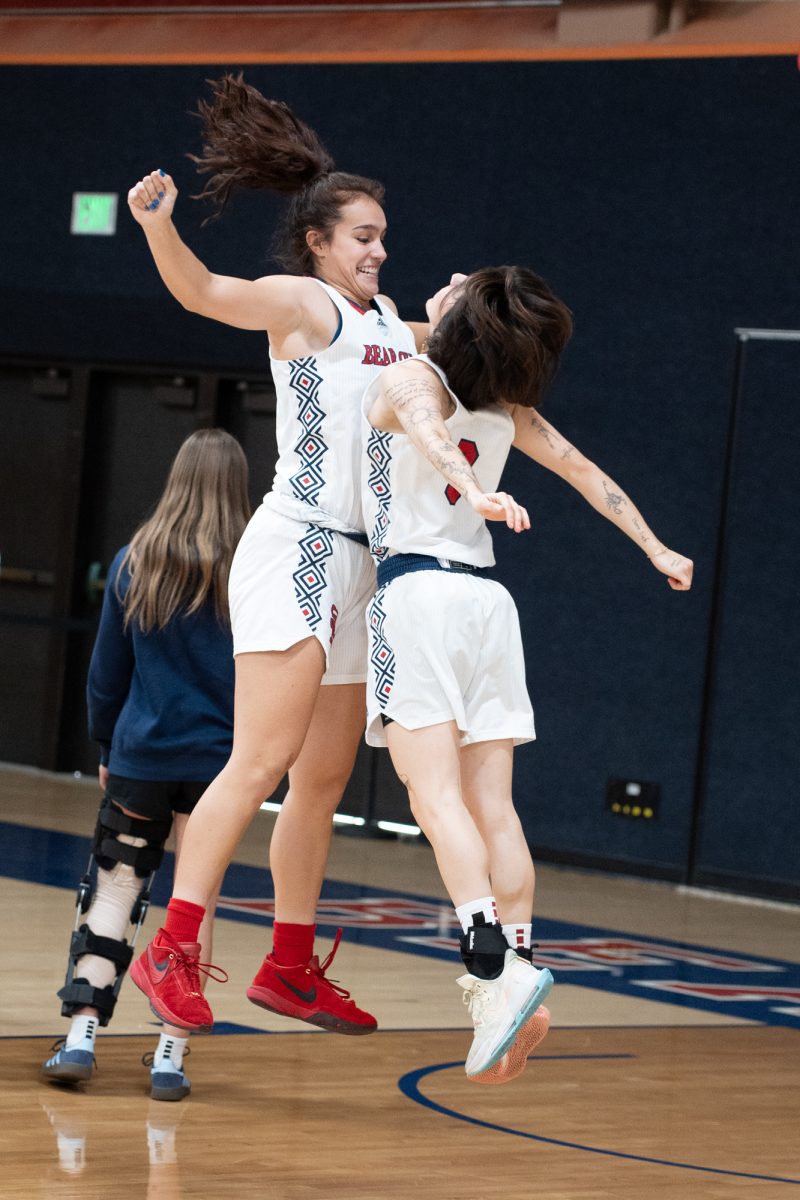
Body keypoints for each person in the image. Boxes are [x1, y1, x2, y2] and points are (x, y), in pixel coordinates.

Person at [127, 74, 424, 1037]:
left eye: (383, 235)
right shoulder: (304, 304)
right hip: (296, 545)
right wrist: (161, 229)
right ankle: (171, 948)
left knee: (326, 782)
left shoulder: (386, 323)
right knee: (258, 759)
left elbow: (449, 348)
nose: (380, 249)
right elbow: (208, 294)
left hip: (359, 563)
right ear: (320, 244)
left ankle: (289, 966)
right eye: (365, 236)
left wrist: (475, 308)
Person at [361, 266, 693, 1082]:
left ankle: (486, 971)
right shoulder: (511, 408)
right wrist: (656, 548)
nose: (443, 280)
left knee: (432, 799)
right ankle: (521, 964)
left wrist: (471, 488)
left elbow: (427, 428)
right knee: (494, 805)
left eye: (456, 284)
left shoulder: (411, 373)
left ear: (459, 324)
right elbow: (589, 474)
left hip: (419, 593)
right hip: (488, 607)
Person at [41, 428, 251, 1100]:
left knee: (115, 888)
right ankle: (169, 1054)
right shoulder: (253, 568)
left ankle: (80, 1036)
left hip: (141, 756)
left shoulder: (138, 560)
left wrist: (107, 745)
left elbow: (107, 674)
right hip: (220, 768)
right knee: (198, 900)